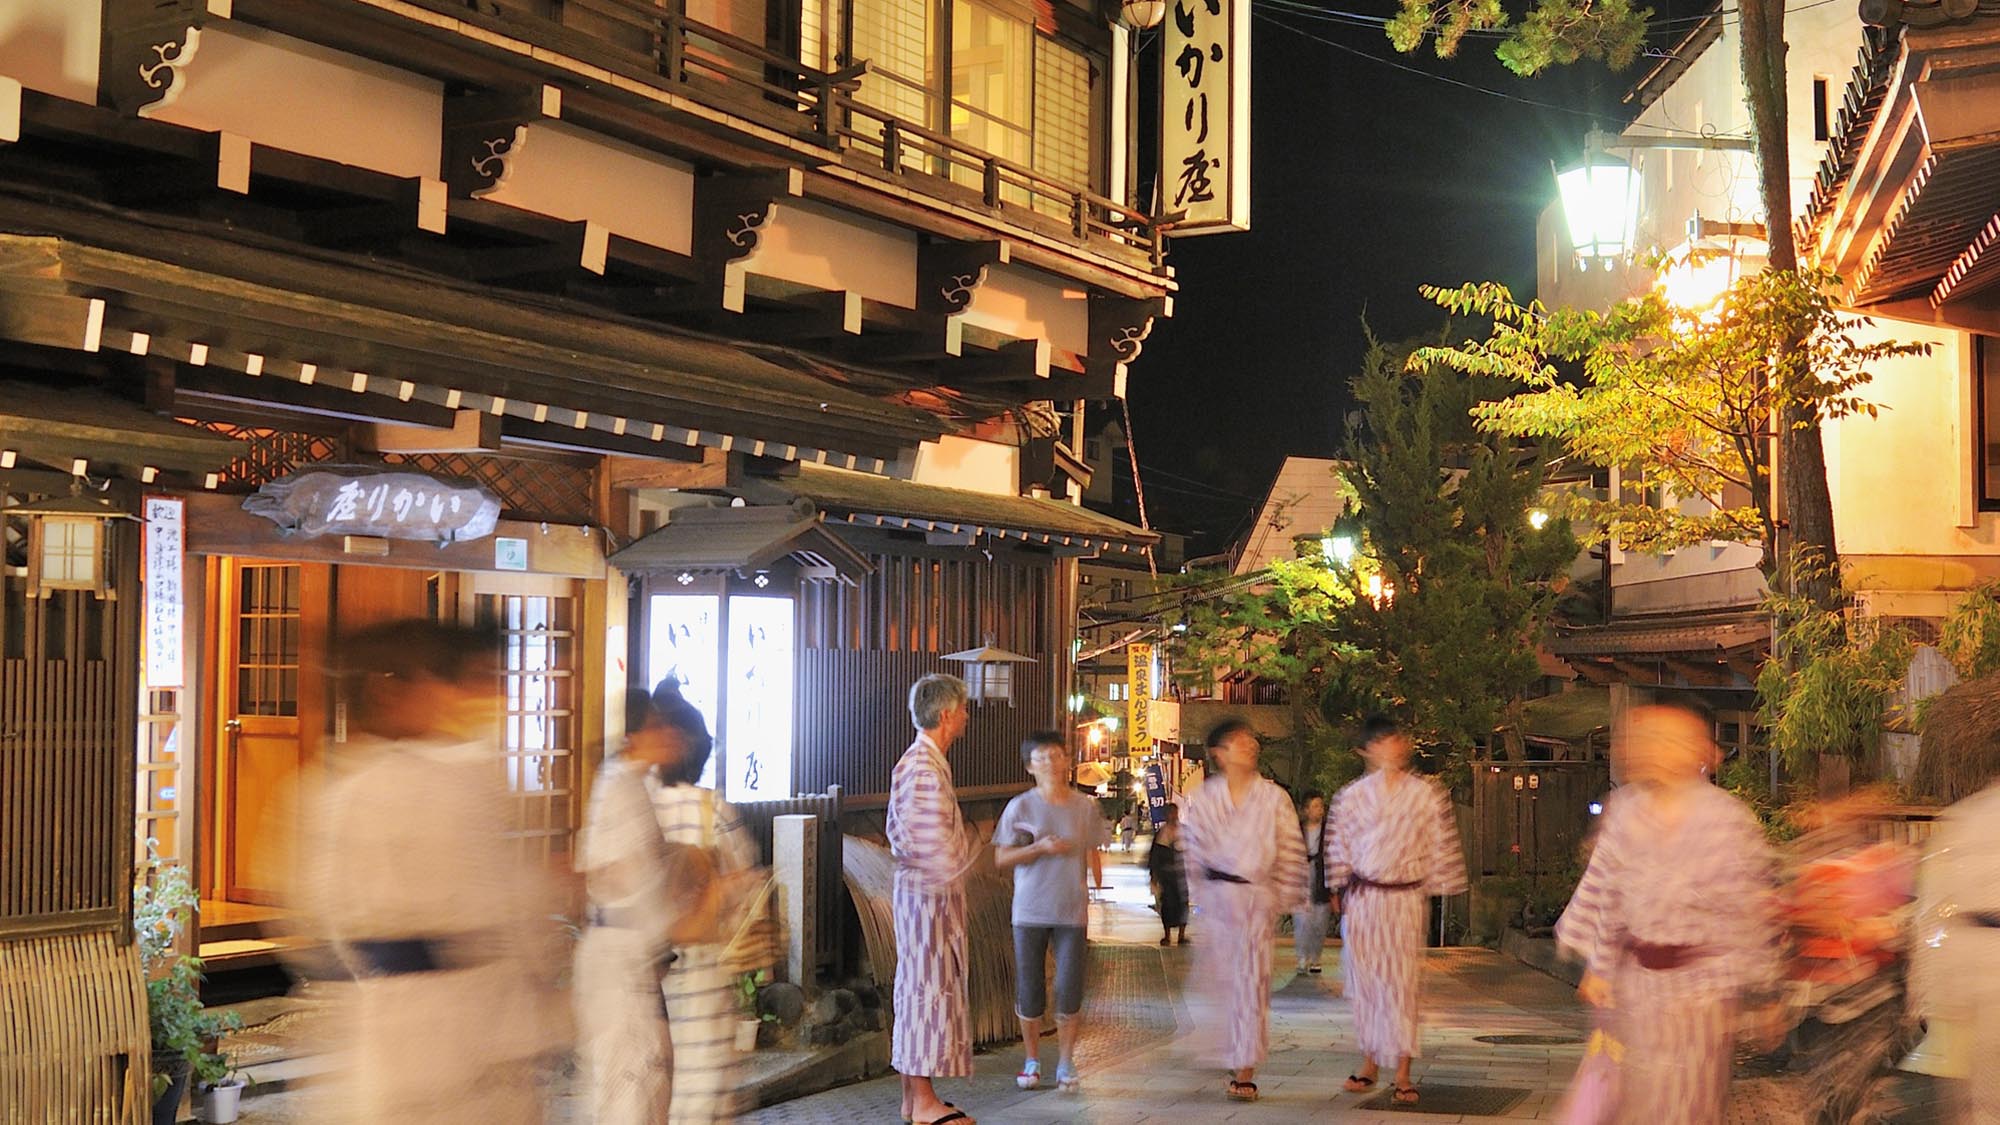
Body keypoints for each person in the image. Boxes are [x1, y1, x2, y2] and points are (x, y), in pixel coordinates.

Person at [306, 620, 561, 1124]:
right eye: (440, 680)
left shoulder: (336, 787)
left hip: (385, 1013)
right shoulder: (456, 785)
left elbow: (322, 923)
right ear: (395, 690)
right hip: (465, 1011)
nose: (449, 695)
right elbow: (510, 906)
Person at [1554, 702, 1782, 1124]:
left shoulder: (1727, 820)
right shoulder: (1623, 811)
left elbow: (1750, 911)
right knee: (1632, 1104)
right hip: (1636, 988)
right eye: (1646, 740)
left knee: (1687, 1105)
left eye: (1667, 739)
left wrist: (1764, 993)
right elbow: (1607, 893)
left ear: (1701, 751)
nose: (1652, 750)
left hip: (1701, 992)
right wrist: (1600, 968)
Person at [1324, 715, 1468, 1106]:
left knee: (1403, 986)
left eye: (1395, 741)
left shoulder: (1426, 794)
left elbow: (1441, 846)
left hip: (1405, 897)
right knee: (1366, 982)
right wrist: (1337, 889)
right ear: (1366, 750)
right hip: (1366, 899)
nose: (1390, 750)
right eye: (1382, 743)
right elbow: (1338, 848)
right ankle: (1370, 1060)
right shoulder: (1351, 796)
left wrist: (1441, 887)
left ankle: (1403, 1071)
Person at [573, 691, 689, 1125]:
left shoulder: (629, 784)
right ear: (633, 735)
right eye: (659, 725)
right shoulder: (619, 786)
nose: (670, 734)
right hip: (619, 963)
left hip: (632, 961)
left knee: (643, 1090)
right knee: (629, 1095)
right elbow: (608, 873)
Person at [648, 679, 759, 1125]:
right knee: (701, 1085)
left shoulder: (640, 805)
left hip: (648, 965)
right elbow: (743, 883)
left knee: (658, 1085)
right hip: (700, 966)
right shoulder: (711, 810)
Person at [1180, 719, 1308, 1102]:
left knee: (1252, 985)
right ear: (1219, 754)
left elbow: (1290, 850)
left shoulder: (1274, 798)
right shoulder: (1204, 799)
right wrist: (1197, 898)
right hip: (1219, 901)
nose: (1249, 746)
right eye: (1238, 742)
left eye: (1251, 740)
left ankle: (1246, 1066)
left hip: (1255, 899)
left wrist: (1286, 897)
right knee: (1221, 984)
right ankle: (1229, 1049)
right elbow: (1193, 853)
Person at [888, 674, 980, 1125]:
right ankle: (923, 1100)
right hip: (928, 897)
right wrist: (975, 854)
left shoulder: (922, 762)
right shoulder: (924, 768)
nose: (966, 716)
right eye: (964, 709)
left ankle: (914, 1098)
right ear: (947, 714)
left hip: (923, 894)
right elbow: (932, 848)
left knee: (917, 989)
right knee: (926, 990)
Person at [993, 733, 1104, 1094]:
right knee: (1030, 988)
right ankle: (1032, 1059)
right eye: (1042, 758)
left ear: (1067, 760)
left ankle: (1067, 1061)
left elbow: (1093, 850)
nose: (1052, 763)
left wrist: (1096, 889)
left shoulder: (1085, 807)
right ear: (1030, 767)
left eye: (1057, 756)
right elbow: (1001, 858)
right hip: (1029, 910)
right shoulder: (1019, 808)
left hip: (1072, 909)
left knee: (1069, 986)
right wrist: (1039, 848)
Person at [1294, 791, 1332, 975]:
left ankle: (1316, 958)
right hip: (1301, 874)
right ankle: (1302, 957)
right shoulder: (1297, 829)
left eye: (1321, 806)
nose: (1319, 810)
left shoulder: (1329, 830)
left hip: (1321, 875)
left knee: (1320, 919)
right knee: (1301, 919)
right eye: (1315, 806)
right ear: (1306, 809)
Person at [1147, 802, 1189, 946]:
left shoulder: (1185, 831)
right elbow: (1154, 856)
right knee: (1167, 904)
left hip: (1181, 874)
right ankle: (1167, 935)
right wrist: (1154, 875)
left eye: (1175, 813)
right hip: (1166, 875)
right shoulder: (1162, 833)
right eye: (1170, 813)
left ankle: (1182, 935)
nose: (1173, 816)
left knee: (1183, 904)